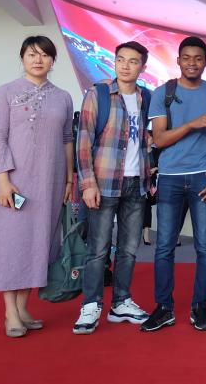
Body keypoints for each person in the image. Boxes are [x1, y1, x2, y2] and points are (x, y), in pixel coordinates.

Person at [0, 36, 75, 338]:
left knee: (38, 244)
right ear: (22, 58)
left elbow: (67, 140)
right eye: (32, 54)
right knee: (12, 243)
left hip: (51, 183)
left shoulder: (63, 97)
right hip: (15, 183)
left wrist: (69, 179)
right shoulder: (5, 93)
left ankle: (23, 308)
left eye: (44, 55)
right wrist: (3, 179)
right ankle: (10, 312)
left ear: (53, 61)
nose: (38, 60)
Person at [141, 36, 206, 332]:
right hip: (170, 178)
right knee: (164, 247)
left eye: (198, 58)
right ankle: (164, 307)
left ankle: (200, 306)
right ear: (178, 61)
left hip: (205, 177)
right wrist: (191, 124)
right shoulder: (163, 92)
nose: (192, 63)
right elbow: (160, 139)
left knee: (205, 248)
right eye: (187, 58)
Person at [72, 41, 153, 334]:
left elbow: (147, 140)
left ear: (142, 66)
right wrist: (87, 184)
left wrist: (149, 174)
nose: (125, 66)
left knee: (129, 250)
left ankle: (121, 303)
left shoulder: (147, 97)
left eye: (133, 61)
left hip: (136, 184)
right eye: (121, 59)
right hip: (104, 183)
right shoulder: (99, 94)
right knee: (98, 249)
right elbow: (83, 141)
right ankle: (90, 305)